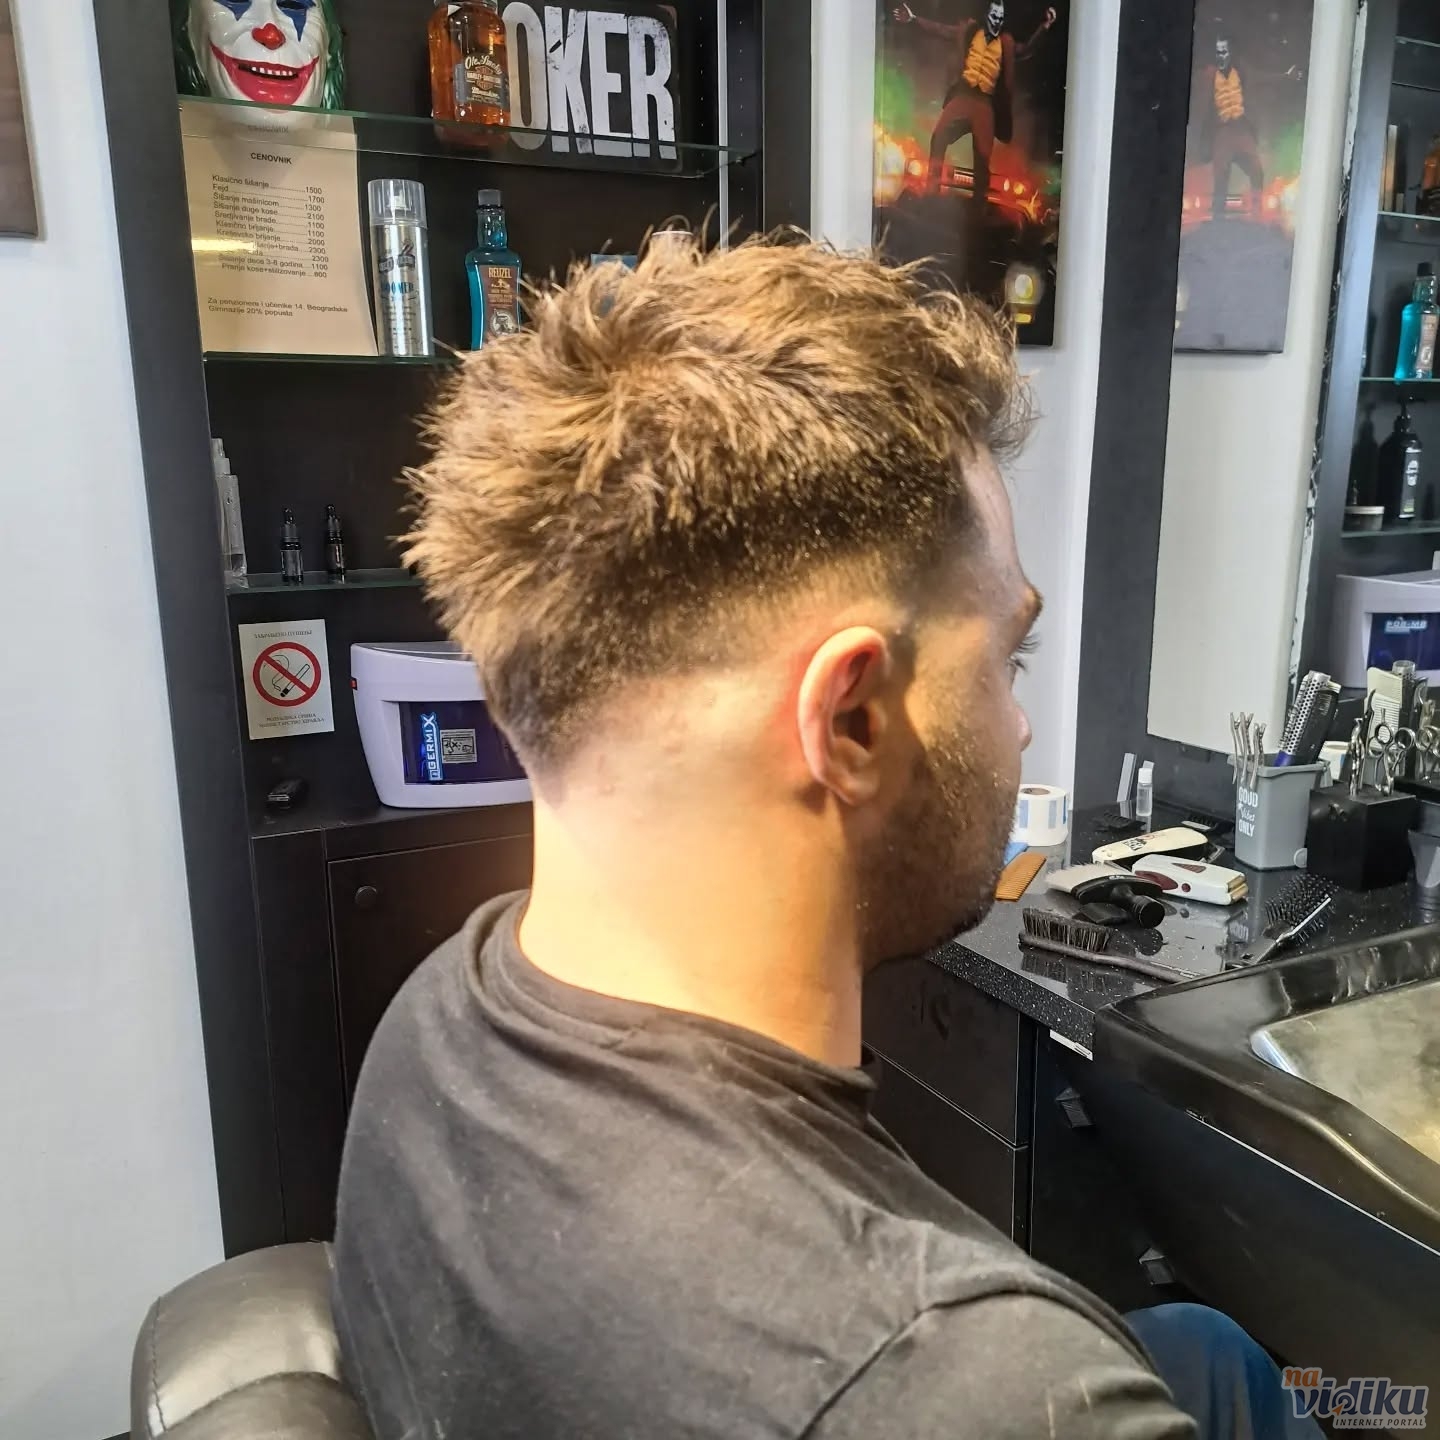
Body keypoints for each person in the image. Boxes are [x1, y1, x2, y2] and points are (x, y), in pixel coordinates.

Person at [332, 237, 1318, 1440]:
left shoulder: (437, 1017)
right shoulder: (971, 1388)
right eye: (1006, 659)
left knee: (1209, 1352)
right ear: (850, 720)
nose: (1016, 724)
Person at [892, 1, 1057, 200]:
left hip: (984, 103)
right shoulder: (969, 32)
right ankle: (931, 193)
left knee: (982, 159)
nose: (997, 21)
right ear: (987, 17)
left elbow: (1027, 49)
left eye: (1000, 18)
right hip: (963, 96)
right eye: (994, 16)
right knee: (939, 137)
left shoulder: (1005, 44)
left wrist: (1044, 27)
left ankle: (978, 207)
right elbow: (941, 30)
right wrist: (913, 19)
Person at [1200, 35, 1265, 220]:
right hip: (1223, 131)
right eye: (1218, 52)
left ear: (1231, 53)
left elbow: (1263, 77)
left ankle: (1257, 211)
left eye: (1224, 52)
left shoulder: (1242, 71)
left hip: (1241, 128)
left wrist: (1286, 75)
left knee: (1257, 170)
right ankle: (1218, 215)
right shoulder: (1209, 75)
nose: (1220, 56)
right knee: (1220, 174)